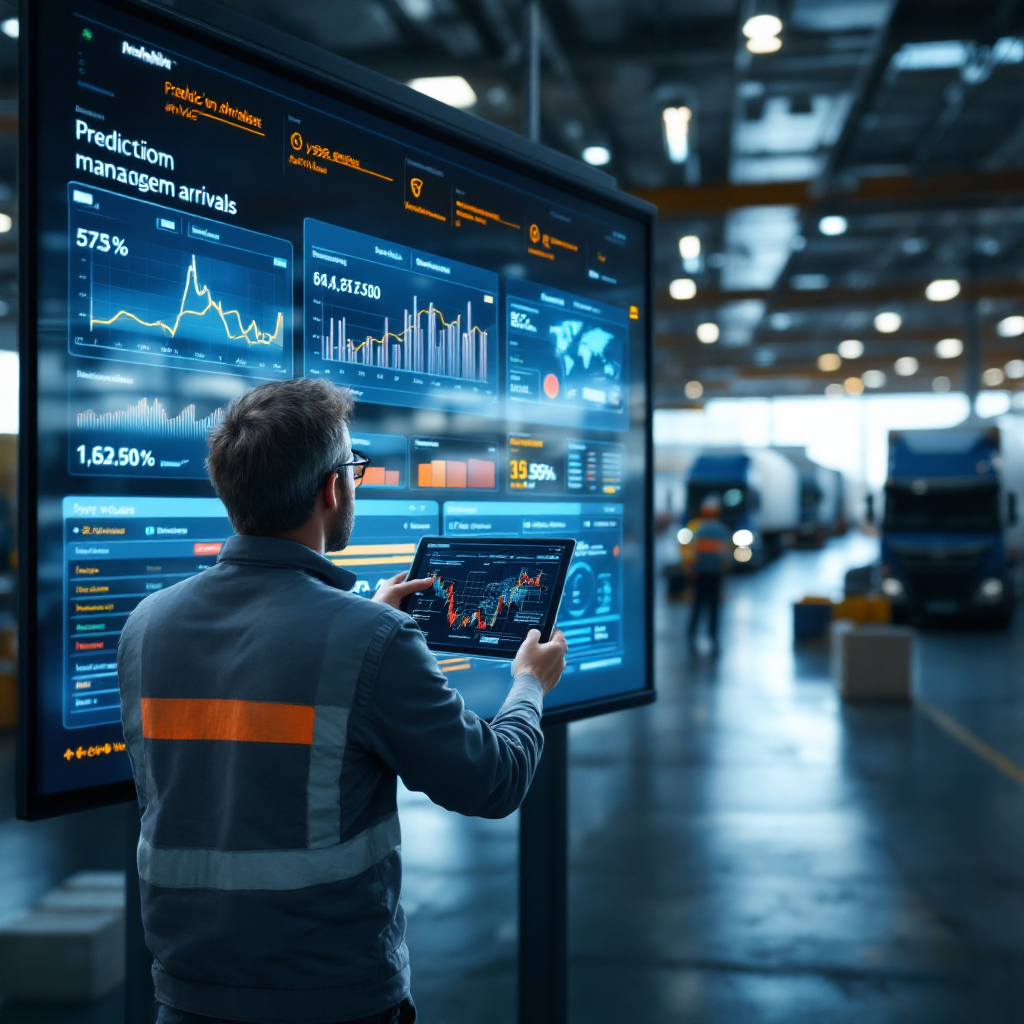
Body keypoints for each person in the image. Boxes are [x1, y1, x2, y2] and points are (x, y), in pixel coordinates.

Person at [117, 378, 567, 1024]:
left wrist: (367, 622)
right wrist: (529, 683)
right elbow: (491, 782)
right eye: (355, 467)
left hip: (187, 999)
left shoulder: (145, 627)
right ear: (333, 489)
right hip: (333, 1001)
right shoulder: (370, 642)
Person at [685, 494, 732, 651]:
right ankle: (713, 636)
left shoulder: (698, 530)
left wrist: (690, 570)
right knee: (714, 607)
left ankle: (691, 633)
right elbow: (726, 557)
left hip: (700, 575)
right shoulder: (722, 530)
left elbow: (691, 553)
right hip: (715, 576)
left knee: (698, 605)